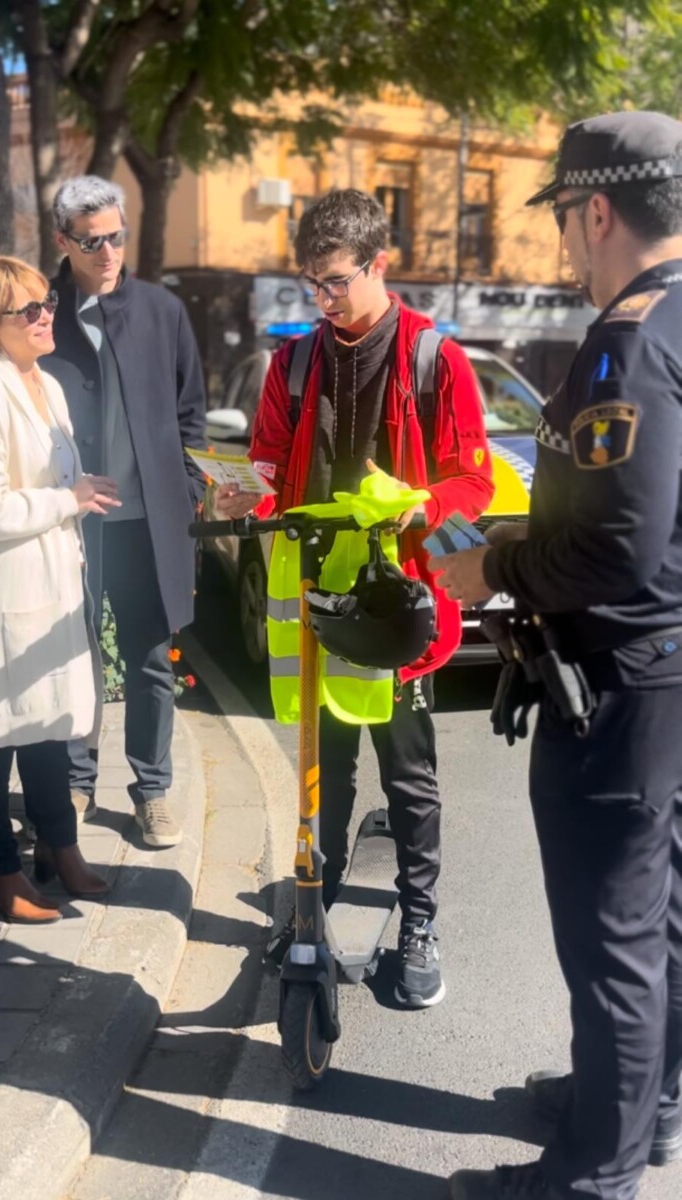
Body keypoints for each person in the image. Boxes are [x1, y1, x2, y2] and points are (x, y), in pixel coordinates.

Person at [437, 111, 682, 1200]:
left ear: (597, 212)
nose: (562, 245)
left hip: (619, 683)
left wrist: (487, 567)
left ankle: (593, 1177)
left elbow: (616, 547)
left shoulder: (631, 338)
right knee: (661, 920)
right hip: (665, 665)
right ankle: (635, 1109)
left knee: (611, 940)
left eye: (563, 220)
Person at [216, 189, 494, 1007]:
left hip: (399, 598)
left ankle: (420, 922)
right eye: (312, 283)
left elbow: (474, 479)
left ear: (380, 264)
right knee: (322, 766)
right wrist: (246, 495)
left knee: (407, 774)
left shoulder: (436, 359)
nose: (323, 298)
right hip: (316, 590)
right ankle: (315, 906)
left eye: (336, 280)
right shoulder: (294, 362)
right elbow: (269, 464)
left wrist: (423, 505)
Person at [0, 254, 118, 923]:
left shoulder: (48, 385)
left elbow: (58, 482)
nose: (47, 317)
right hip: (5, 590)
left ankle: (59, 850)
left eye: (48, 304)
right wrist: (69, 499)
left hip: (51, 587)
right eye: (29, 309)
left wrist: (77, 496)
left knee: (47, 727)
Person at [41, 176, 207, 848]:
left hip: (148, 524)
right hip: (70, 523)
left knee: (150, 661)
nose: (108, 252)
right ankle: (76, 782)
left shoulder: (163, 311)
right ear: (64, 241)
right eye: (91, 242)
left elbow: (191, 413)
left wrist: (186, 491)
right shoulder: (42, 313)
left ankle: (153, 791)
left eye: (116, 237)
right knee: (73, 658)